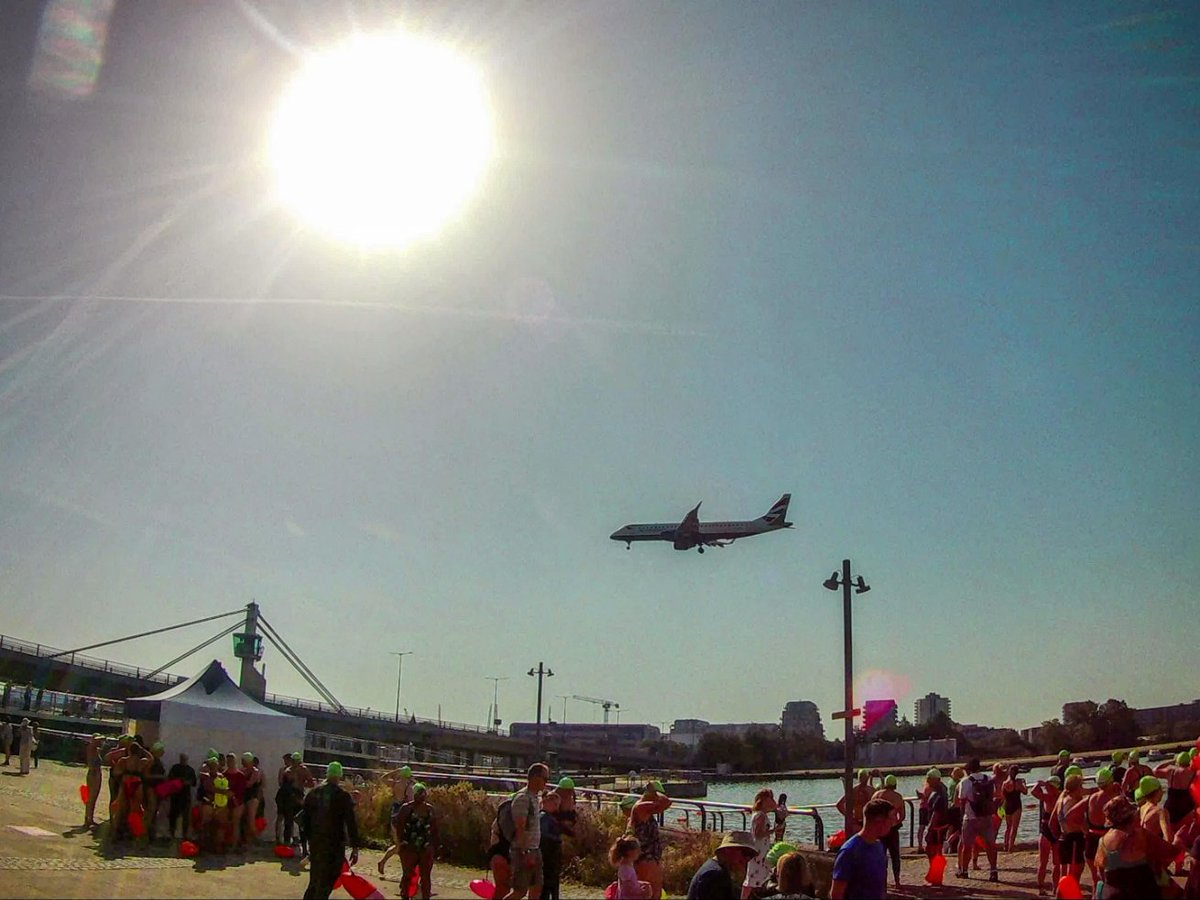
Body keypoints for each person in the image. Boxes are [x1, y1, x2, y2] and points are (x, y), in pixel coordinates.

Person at [1095, 794, 1174, 899]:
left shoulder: (1103, 841)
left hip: (1114, 895)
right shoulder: (1142, 835)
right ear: (1131, 817)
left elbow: (1100, 873)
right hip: (1144, 893)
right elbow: (1171, 853)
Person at [302, 760, 360, 900]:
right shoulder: (343, 796)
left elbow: (304, 821)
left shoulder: (313, 793)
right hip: (335, 844)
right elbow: (351, 822)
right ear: (339, 776)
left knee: (315, 879)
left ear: (327, 774)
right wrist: (355, 846)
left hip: (317, 843)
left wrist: (309, 841)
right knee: (328, 879)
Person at [830, 798, 891, 900]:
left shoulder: (879, 846)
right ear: (879, 821)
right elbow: (836, 894)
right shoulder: (850, 851)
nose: (893, 824)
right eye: (891, 819)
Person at [506, 762, 548, 900]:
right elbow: (520, 827)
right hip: (523, 850)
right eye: (545, 779)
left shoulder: (535, 798)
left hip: (535, 849)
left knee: (537, 886)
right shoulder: (523, 798)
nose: (546, 783)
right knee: (520, 890)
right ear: (535, 778)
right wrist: (526, 851)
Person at [956, 758, 999, 882]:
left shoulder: (965, 781)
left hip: (970, 818)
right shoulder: (988, 779)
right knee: (990, 845)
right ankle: (993, 870)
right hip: (986, 817)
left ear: (968, 769)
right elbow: (994, 796)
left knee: (967, 846)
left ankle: (964, 870)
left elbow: (962, 800)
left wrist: (961, 816)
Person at [629, 780, 672, 900]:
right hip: (645, 856)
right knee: (648, 893)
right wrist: (656, 792)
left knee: (655, 892)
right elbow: (666, 802)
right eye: (656, 793)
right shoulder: (641, 807)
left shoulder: (646, 808)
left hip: (651, 856)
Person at [686, 831, 759, 900]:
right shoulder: (715, 875)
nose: (748, 858)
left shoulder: (716, 869)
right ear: (728, 850)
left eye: (751, 855)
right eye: (746, 853)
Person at [377, 764, 417, 874]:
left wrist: (394, 771)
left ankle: (383, 862)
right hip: (403, 817)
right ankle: (408, 870)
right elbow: (412, 803)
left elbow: (382, 778)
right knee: (404, 845)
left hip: (394, 814)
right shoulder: (410, 787)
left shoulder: (396, 784)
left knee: (399, 845)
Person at [1085, 767, 1121, 886]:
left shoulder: (1091, 797)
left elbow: (1071, 814)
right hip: (1106, 842)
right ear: (1111, 782)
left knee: (1097, 881)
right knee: (1111, 881)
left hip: (1091, 840)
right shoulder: (1113, 800)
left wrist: (1084, 829)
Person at [1052, 769, 1089, 883]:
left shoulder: (1061, 799)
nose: (1082, 789)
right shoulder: (1075, 801)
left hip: (1064, 837)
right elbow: (1078, 821)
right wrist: (1087, 833)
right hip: (1074, 838)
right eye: (1081, 786)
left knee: (1067, 874)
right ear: (1077, 788)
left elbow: (1052, 822)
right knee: (1074, 874)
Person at [871, 774, 905, 889]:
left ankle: (881, 881)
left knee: (880, 855)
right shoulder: (898, 797)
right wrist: (895, 823)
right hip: (892, 829)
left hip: (879, 829)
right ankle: (897, 881)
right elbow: (902, 815)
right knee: (895, 855)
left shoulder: (876, 795)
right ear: (895, 784)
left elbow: (870, 812)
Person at [741, 788, 776, 899]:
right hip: (759, 849)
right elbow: (759, 834)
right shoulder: (761, 815)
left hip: (759, 848)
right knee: (754, 877)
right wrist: (773, 830)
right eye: (770, 798)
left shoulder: (758, 813)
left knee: (754, 876)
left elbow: (774, 807)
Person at [1155, 752, 1198, 843]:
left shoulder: (1171, 770)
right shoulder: (1193, 773)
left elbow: (1155, 770)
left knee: (1170, 834)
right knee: (1184, 836)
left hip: (1170, 805)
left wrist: (1171, 761)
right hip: (1186, 807)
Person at [1032, 775, 1062, 897]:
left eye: (1049, 786)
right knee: (1053, 863)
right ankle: (1052, 887)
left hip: (1048, 829)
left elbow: (1033, 791)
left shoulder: (1048, 797)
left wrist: (1040, 784)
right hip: (1054, 829)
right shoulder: (1061, 796)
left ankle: (1043, 887)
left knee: (1048, 862)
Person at [539, 788, 564, 900]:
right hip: (547, 857)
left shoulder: (549, 818)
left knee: (552, 887)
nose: (556, 807)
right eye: (555, 804)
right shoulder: (544, 817)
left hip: (552, 858)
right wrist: (557, 839)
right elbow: (543, 835)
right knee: (547, 887)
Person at [167, 752, 197, 841]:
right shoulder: (175, 768)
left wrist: (187, 782)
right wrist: (179, 781)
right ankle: (171, 834)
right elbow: (170, 779)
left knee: (186, 817)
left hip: (186, 796)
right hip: (175, 796)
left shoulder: (190, 770)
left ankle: (185, 835)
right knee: (173, 815)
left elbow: (194, 782)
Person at [835, 769, 874, 834]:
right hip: (857, 822)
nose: (864, 779)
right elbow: (839, 804)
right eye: (862, 777)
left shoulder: (871, 790)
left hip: (868, 822)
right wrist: (849, 816)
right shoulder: (854, 790)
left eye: (864, 777)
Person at [610, 834, 648, 899]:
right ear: (630, 852)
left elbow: (630, 883)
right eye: (637, 851)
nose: (639, 853)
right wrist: (641, 893)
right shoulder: (625, 869)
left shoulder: (628, 866)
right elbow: (628, 889)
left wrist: (641, 884)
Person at [1000, 764, 1027, 852]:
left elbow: (1002, 796)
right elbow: (1025, 792)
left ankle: (1005, 844)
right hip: (1016, 805)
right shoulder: (1018, 783)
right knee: (1014, 828)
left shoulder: (1004, 783)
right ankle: (1011, 846)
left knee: (1008, 827)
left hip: (1007, 805)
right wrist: (1024, 783)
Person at [143, 741, 167, 841]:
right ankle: (144, 833)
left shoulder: (158, 761)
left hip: (157, 787)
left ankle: (149, 832)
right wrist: (160, 776)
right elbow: (146, 775)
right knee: (150, 810)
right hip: (151, 787)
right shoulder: (152, 761)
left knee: (154, 811)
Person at [241, 753, 263, 846]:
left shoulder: (255, 771)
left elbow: (249, 784)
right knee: (244, 820)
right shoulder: (242, 770)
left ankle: (256, 840)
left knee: (251, 820)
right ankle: (247, 840)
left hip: (252, 797)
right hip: (244, 796)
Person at [83, 734, 104, 828]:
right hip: (93, 774)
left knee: (93, 798)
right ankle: (88, 818)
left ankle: (89, 817)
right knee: (91, 797)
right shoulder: (91, 748)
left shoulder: (96, 750)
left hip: (96, 773)